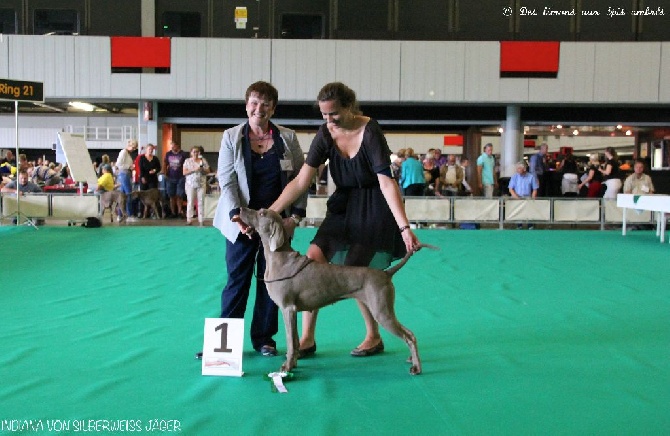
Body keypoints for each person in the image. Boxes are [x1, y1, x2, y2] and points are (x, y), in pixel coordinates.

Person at [267, 82, 420, 358]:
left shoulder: (371, 131)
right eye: (324, 115)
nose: (329, 121)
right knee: (313, 258)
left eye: (334, 114)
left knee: (356, 270)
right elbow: (302, 180)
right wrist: (272, 212)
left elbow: (387, 184)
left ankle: (373, 336)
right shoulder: (326, 133)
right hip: (343, 205)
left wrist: (404, 227)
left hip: (374, 207)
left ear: (350, 107)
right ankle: (307, 338)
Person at [211, 81, 307, 357]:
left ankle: (264, 339)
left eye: (266, 104)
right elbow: (226, 181)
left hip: (276, 226)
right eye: (254, 102)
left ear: (273, 108)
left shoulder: (287, 138)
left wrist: (296, 217)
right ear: (246, 105)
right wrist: (236, 217)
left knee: (272, 282)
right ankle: (225, 345)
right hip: (241, 222)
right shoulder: (231, 136)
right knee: (236, 280)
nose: (259, 108)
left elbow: (301, 180)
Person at [183, 145, 210, 226]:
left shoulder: (203, 160)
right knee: (190, 201)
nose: (195, 153)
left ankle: (201, 220)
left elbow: (208, 171)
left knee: (201, 202)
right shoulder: (187, 161)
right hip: (190, 184)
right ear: (191, 153)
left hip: (201, 184)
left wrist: (202, 170)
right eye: (194, 152)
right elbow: (184, 172)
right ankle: (189, 219)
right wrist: (193, 170)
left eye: (197, 152)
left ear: (199, 153)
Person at [508, 161, 539, 229]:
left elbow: (535, 189)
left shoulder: (531, 177)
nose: (517, 170)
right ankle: (519, 225)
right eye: (517, 168)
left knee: (529, 211)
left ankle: (530, 225)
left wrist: (533, 199)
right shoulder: (514, 177)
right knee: (518, 211)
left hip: (527, 197)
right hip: (517, 197)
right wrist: (516, 197)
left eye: (519, 168)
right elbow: (510, 189)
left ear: (524, 169)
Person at [163, 140, 189, 218]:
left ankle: (180, 212)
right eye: (172, 146)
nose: (173, 148)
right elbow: (165, 164)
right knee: (171, 196)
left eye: (174, 146)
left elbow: (186, 164)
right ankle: (173, 212)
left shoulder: (183, 154)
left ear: (178, 146)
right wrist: (164, 173)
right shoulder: (168, 154)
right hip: (170, 177)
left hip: (180, 177)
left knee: (179, 195)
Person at [115, 139, 138, 221]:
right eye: (133, 147)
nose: (134, 149)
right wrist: (129, 166)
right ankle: (129, 215)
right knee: (129, 195)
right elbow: (118, 164)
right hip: (124, 174)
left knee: (122, 196)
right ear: (129, 145)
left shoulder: (127, 153)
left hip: (125, 174)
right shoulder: (124, 152)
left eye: (135, 148)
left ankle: (120, 215)